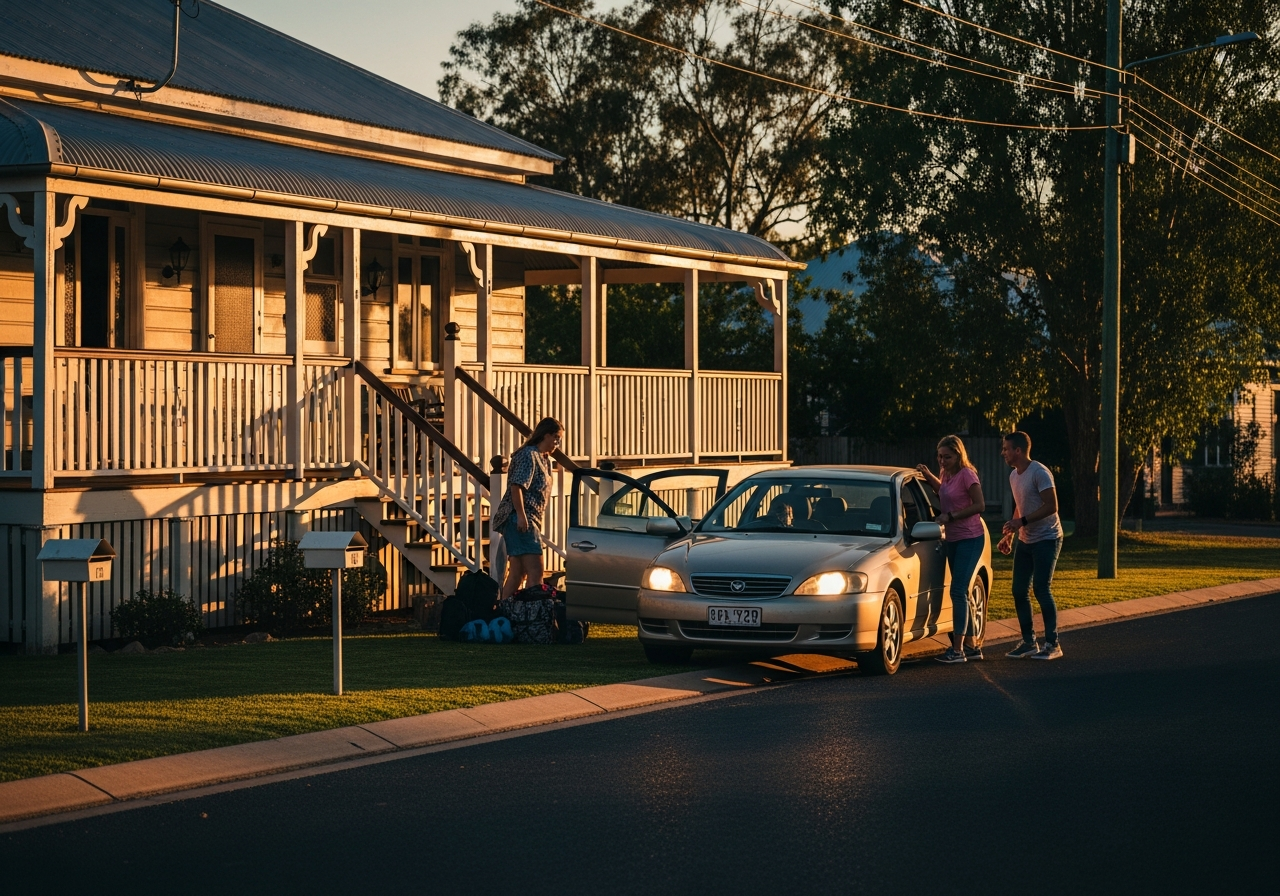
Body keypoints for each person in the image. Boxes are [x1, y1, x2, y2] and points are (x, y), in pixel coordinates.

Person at [917, 435, 986, 664]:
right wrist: (929, 477)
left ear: (959, 455)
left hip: (970, 538)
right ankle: (972, 646)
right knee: (961, 593)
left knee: (957, 591)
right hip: (952, 539)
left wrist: (951, 516)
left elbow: (980, 505)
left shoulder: (967, 474)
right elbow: (944, 492)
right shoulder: (946, 474)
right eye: (940, 456)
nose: (943, 460)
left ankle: (957, 651)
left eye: (947, 456)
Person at [998, 431, 1065, 660]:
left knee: (1041, 589)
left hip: (1048, 537)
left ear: (1018, 450)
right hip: (1026, 540)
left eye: (1006, 449)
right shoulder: (1013, 476)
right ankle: (1029, 642)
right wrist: (1011, 533)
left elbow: (1052, 506)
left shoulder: (1039, 472)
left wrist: (1022, 521)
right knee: (1018, 590)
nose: (1003, 453)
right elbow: (1020, 506)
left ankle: (1053, 644)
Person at [491, 417, 563, 600]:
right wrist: (522, 516)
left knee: (518, 572)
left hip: (530, 519)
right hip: (520, 518)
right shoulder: (528, 454)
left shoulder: (543, 458)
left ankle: (504, 612)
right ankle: (533, 613)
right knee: (536, 571)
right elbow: (517, 486)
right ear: (545, 435)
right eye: (555, 437)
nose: (557, 442)